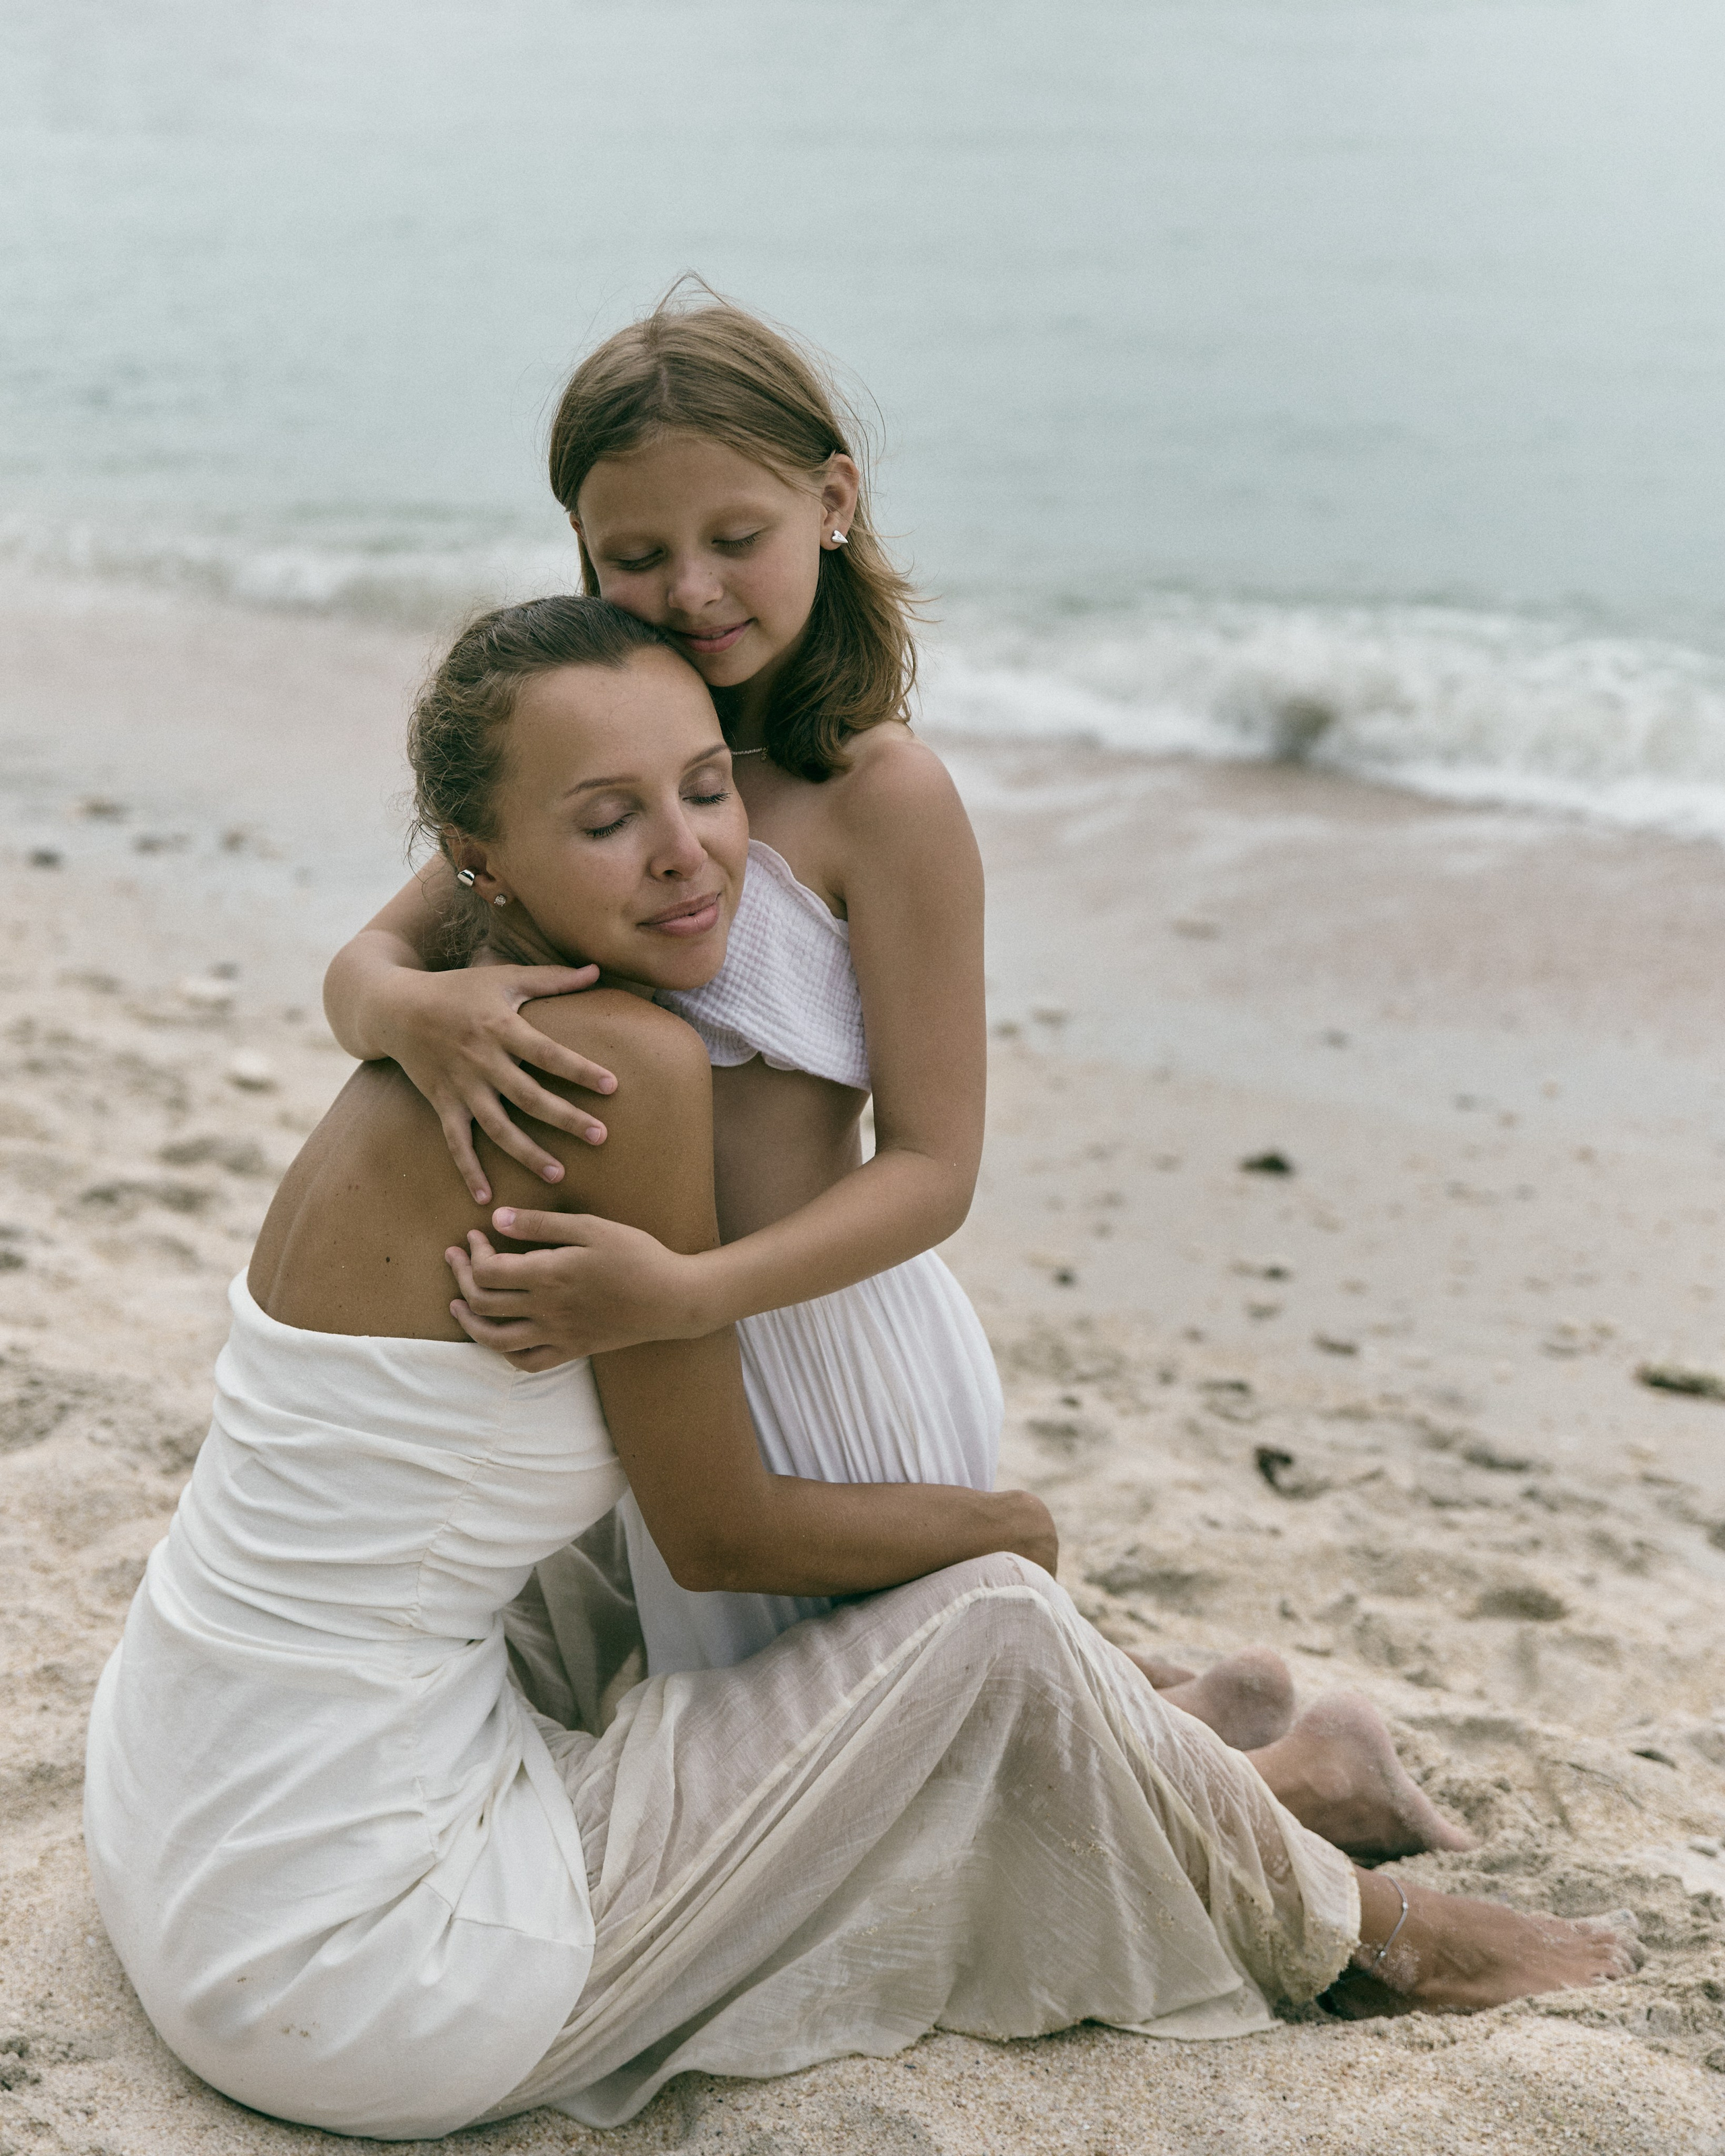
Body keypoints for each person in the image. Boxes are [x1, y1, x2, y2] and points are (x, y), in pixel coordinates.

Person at [85, 598, 1638, 2141]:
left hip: (178, 1782)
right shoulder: (616, 1064)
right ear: (476, 856)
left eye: (706, 790)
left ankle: (1256, 1753)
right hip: (350, 1960)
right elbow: (725, 1535)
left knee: (629, 1593)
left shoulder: (427, 1032)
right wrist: (1010, 1532)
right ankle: (1371, 1922)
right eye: (609, 819)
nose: (690, 851)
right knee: (988, 1630)